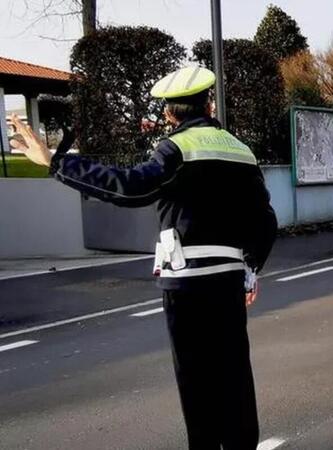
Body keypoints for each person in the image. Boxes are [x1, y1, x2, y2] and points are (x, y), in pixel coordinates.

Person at [11, 66, 277, 449]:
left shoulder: (176, 147)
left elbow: (131, 189)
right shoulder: (242, 152)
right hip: (227, 281)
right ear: (209, 103)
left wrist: (57, 162)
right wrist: (250, 269)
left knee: (196, 381)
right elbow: (265, 220)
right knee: (234, 376)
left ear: (170, 114)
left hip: (185, 284)